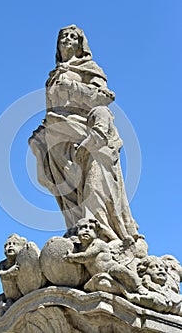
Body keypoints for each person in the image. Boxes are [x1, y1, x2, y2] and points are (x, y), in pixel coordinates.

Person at [29, 25, 139, 241]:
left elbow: (104, 97)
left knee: (91, 181)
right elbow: (52, 107)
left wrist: (71, 86)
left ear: (81, 45)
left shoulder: (89, 68)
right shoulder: (52, 76)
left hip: (82, 130)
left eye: (72, 37)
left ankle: (101, 231)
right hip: (55, 135)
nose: (67, 40)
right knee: (66, 189)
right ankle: (76, 230)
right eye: (63, 37)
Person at [64, 217, 146, 295]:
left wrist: (71, 257)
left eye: (91, 228)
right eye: (83, 227)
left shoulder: (99, 244)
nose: (87, 230)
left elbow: (86, 257)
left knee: (122, 271)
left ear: (97, 234)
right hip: (97, 276)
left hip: (110, 269)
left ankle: (138, 286)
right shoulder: (78, 246)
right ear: (78, 231)